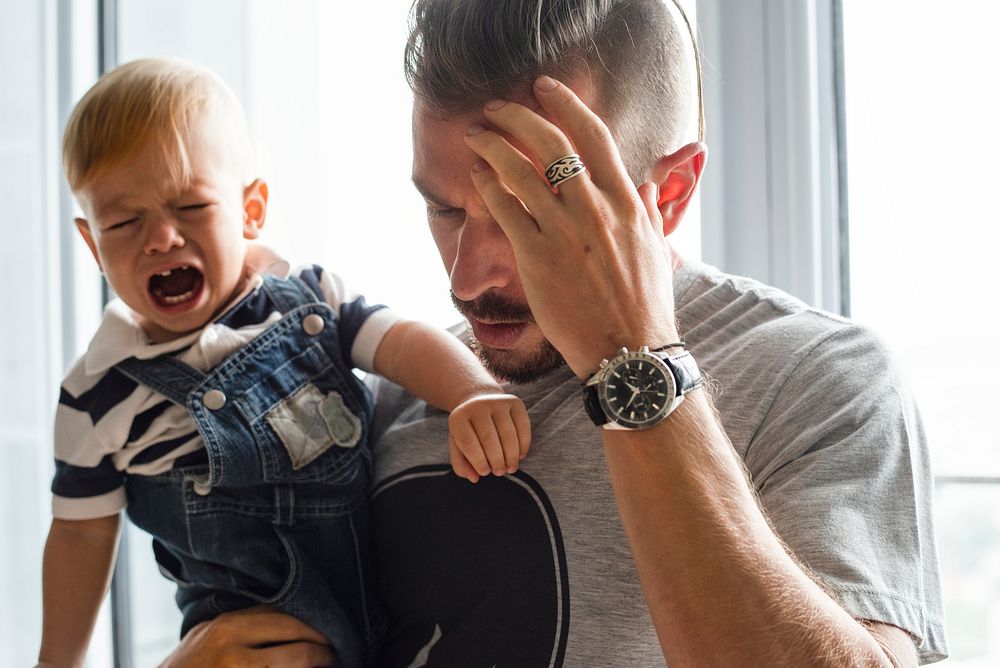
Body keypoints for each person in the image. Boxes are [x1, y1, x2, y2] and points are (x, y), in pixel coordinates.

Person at [166, 0, 948, 665]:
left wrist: (633, 359)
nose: (467, 279)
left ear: (667, 194)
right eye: (444, 209)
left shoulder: (818, 379)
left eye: (524, 211)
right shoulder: (398, 395)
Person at [37, 57, 532, 668]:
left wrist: (473, 391)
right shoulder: (96, 394)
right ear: (92, 243)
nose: (161, 238)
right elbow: (82, 533)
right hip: (253, 647)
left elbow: (400, 340)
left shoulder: (309, 301)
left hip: (389, 612)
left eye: (190, 207)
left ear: (250, 210)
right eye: (125, 220)